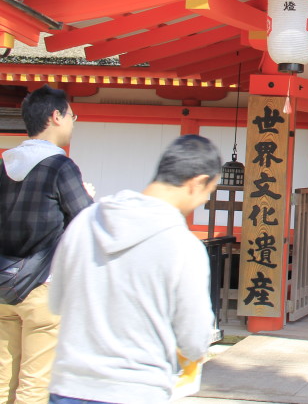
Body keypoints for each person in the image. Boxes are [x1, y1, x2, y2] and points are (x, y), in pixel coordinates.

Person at [47, 134, 222, 404]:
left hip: (69, 384)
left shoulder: (84, 221)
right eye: (209, 192)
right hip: (137, 388)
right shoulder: (183, 245)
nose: (204, 201)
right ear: (197, 183)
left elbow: (56, 301)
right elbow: (194, 338)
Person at [0, 85, 93, 404]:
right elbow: (86, 221)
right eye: (71, 115)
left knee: (1, 381)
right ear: (56, 116)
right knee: (34, 386)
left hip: (1, 286)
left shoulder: (4, 164)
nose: (72, 121)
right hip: (43, 288)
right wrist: (89, 195)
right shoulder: (60, 166)